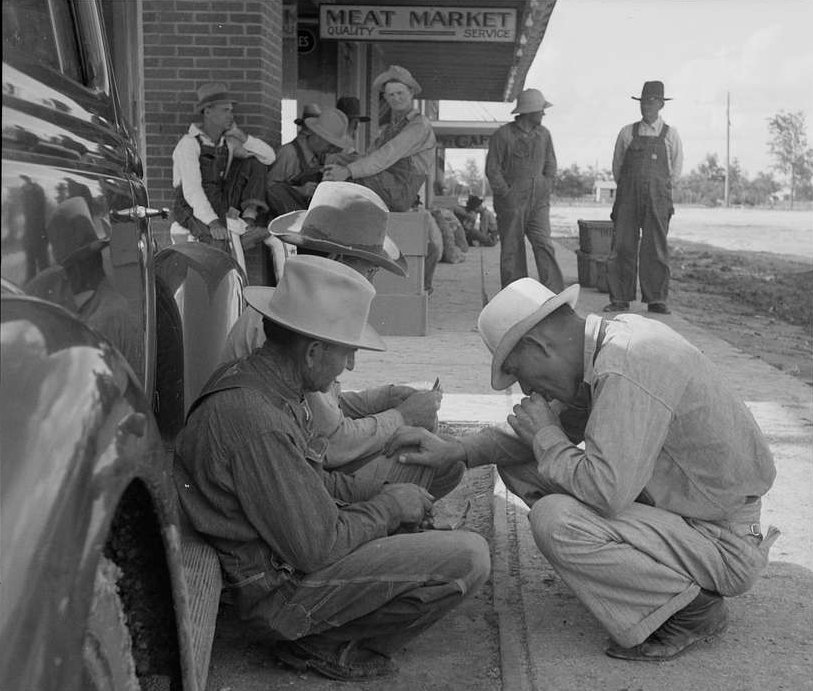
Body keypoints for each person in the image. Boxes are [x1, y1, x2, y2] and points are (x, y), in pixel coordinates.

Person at [385, 278, 778, 662]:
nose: (525, 390)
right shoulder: (608, 346)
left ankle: (692, 608)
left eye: (520, 373)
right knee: (523, 463)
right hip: (689, 516)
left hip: (722, 541)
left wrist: (547, 437)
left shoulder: (627, 365)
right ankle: (633, 578)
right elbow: (539, 435)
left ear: (538, 346)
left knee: (555, 520)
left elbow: (607, 493)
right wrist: (456, 451)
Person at [174, 254, 490, 681]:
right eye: (348, 352)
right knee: (468, 558)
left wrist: (382, 496)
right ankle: (319, 643)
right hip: (279, 595)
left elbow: (314, 483)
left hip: (285, 560)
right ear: (313, 352)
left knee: (425, 478)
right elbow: (317, 548)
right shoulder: (258, 420)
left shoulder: (268, 386)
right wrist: (388, 508)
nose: (351, 365)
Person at [222, 181, 463, 495]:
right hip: (283, 478)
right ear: (338, 260)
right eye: (370, 271)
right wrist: (402, 416)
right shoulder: (301, 322)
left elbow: (322, 409)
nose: (370, 284)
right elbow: (332, 443)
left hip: (290, 461)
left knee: (434, 446)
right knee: (441, 461)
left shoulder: (294, 304)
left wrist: (384, 398)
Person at [605, 80, 684, 315]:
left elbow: (675, 171)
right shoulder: (627, 132)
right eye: (643, 102)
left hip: (658, 199)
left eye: (651, 102)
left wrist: (658, 189)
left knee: (655, 248)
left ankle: (656, 299)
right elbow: (617, 167)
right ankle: (619, 298)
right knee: (622, 246)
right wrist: (630, 188)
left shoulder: (671, 134)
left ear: (661, 104)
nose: (646, 106)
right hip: (628, 198)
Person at [172, 82, 275, 253]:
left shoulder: (228, 143)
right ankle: (234, 243)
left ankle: (248, 223)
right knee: (217, 245)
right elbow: (192, 191)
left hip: (219, 200)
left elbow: (269, 157)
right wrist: (213, 222)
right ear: (207, 111)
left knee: (256, 162)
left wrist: (240, 135)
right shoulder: (188, 144)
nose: (231, 115)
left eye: (231, 110)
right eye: (225, 110)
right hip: (189, 206)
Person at [323, 65, 436, 213]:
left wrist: (347, 171)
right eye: (391, 95)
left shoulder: (419, 125)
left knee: (345, 176)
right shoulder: (392, 128)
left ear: (411, 92)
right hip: (386, 182)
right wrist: (343, 164)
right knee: (335, 160)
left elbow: (387, 155)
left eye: (400, 93)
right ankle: (326, 213)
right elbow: (370, 155)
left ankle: (328, 213)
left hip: (400, 191)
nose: (396, 98)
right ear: (386, 97)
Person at [486, 89, 564, 291]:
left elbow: (551, 164)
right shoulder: (503, 135)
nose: (543, 114)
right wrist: (506, 194)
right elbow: (492, 170)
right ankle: (516, 294)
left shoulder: (544, 135)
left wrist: (546, 186)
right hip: (511, 203)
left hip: (539, 202)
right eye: (540, 110)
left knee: (544, 244)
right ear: (529, 111)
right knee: (513, 249)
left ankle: (554, 293)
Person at [265, 108, 351, 217]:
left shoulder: (322, 156)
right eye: (330, 145)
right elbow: (269, 188)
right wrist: (300, 190)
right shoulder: (289, 153)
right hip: (287, 216)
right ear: (318, 136)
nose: (332, 150)